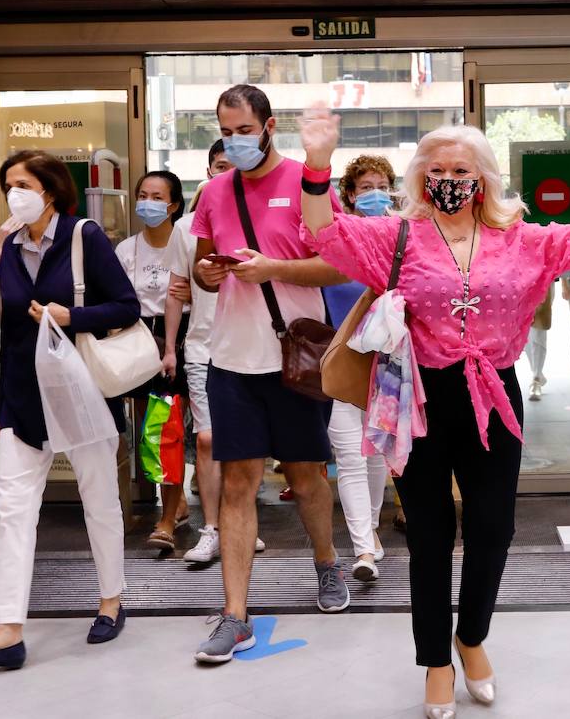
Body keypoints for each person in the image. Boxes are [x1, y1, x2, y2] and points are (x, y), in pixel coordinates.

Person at [300, 108, 570, 718]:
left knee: (494, 530)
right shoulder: (396, 236)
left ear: (482, 177)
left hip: (495, 395)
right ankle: (436, 658)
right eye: (436, 169)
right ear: (420, 177)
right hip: (420, 400)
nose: (449, 178)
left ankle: (472, 636)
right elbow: (325, 232)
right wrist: (319, 163)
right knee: (430, 538)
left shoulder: (519, 237)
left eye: (461, 168)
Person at [0, 151, 138, 671]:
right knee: (12, 512)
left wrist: (69, 314)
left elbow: (125, 305)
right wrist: (4, 406)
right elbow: (10, 333)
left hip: (80, 393)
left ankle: (111, 600)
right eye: (7, 184)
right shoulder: (8, 245)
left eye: (23, 183)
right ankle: (7, 630)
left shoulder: (85, 236)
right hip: (24, 400)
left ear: (50, 190)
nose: (14, 193)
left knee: (98, 500)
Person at [189, 84, 350, 664]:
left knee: (307, 477)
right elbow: (204, 264)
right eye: (225, 131)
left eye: (242, 130)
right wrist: (209, 274)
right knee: (237, 482)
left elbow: (338, 264)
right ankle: (235, 616)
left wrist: (274, 269)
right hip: (231, 360)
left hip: (293, 362)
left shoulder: (308, 185)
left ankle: (328, 564)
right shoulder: (212, 191)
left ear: (268, 126)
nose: (233, 142)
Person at [166, 141, 265, 565]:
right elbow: (175, 291)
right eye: (220, 166)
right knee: (206, 440)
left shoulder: (260, 218)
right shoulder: (186, 228)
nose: (227, 173)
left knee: (245, 445)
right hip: (203, 345)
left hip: (252, 345)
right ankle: (212, 529)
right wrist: (170, 346)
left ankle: (241, 523)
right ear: (209, 171)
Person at [322, 153, 398, 582]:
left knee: (376, 456)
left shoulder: (403, 237)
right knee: (350, 456)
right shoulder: (340, 238)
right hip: (343, 362)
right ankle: (363, 549)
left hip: (388, 364)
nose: (373, 194)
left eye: (380, 185)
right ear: (349, 195)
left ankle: (369, 530)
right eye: (364, 187)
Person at [115, 170, 190, 551]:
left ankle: (168, 517)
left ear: (174, 204)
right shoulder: (126, 249)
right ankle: (174, 505)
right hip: (140, 340)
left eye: (157, 196)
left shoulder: (189, 243)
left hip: (183, 339)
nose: (149, 202)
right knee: (153, 430)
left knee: (168, 431)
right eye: (143, 194)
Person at [522, 285, 554, 400]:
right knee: (523, 330)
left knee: (539, 329)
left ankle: (536, 377)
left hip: (544, 275)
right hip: (517, 276)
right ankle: (537, 373)